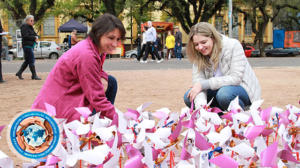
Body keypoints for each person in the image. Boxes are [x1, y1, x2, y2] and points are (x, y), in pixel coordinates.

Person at [31, 13, 126, 122]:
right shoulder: (87, 55)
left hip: (67, 95)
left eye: (118, 39)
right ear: (99, 34)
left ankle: (103, 122)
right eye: (111, 38)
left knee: (110, 82)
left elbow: (96, 73)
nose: (115, 44)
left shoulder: (96, 49)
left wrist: (102, 78)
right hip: (56, 109)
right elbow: (97, 98)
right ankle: (101, 125)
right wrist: (120, 119)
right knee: (106, 87)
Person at [183, 22, 261, 111]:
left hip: (240, 88)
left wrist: (204, 84)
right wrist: (202, 107)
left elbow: (236, 78)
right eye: (196, 44)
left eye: (203, 42)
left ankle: (240, 111)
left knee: (224, 94)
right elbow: (198, 82)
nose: (200, 47)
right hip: (217, 90)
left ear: (213, 38)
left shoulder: (233, 45)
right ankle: (215, 113)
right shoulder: (198, 54)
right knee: (189, 96)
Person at [16, 15, 41, 80]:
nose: (33, 22)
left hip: (30, 45)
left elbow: (34, 34)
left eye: (33, 20)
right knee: (31, 60)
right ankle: (34, 75)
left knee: (27, 61)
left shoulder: (30, 27)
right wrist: (34, 37)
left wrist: (37, 36)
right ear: (27, 21)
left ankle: (19, 72)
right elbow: (25, 36)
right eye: (31, 20)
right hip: (27, 46)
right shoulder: (24, 26)